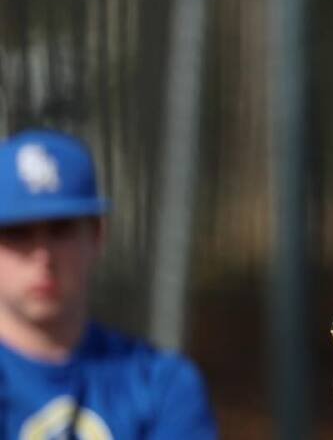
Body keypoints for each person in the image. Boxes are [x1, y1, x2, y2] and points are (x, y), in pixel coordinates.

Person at [0, 129, 217, 439]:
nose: (42, 256)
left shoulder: (160, 384)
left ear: (98, 235)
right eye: (18, 233)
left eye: (60, 229)